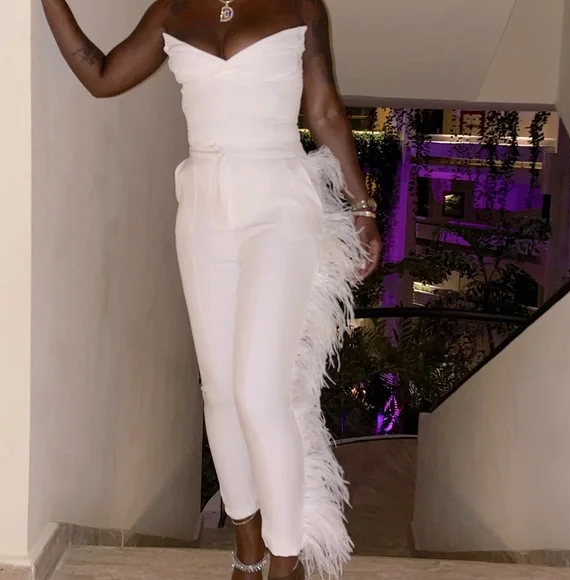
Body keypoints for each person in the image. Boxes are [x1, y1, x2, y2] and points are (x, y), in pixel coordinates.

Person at [41, 0, 382, 578]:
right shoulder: (171, 9)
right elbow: (100, 75)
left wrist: (362, 205)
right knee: (219, 392)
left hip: (279, 207)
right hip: (202, 212)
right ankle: (247, 544)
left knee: (259, 393)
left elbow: (323, 110)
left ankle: (286, 559)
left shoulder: (299, 4)